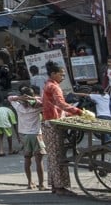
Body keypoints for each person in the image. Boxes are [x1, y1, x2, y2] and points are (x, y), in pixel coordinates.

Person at [42, 61, 84, 197]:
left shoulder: (49, 85)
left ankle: (55, 185)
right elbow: (61, 104)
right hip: (53, 124)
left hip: (50, 123)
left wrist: (70, 113)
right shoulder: (53, 87)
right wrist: (79, 112)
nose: (63, 76)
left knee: (54, 156)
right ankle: (60, 186)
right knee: (57, 156)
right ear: (53, 74)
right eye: (61, 74)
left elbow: (57, 106)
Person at [9, 85, 46, 190]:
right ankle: (41, 184)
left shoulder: (18, 107)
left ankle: (30, 183)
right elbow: (45, 101)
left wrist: (20, 98)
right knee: (39, 161)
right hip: (36, 135)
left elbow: (10, 98)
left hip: (24, 135)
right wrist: (33, 99)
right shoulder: (37, 107)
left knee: (27, 159)